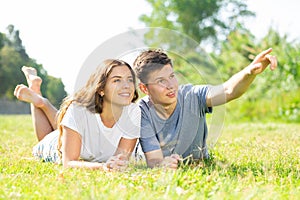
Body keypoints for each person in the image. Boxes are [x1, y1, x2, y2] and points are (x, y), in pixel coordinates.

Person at [133, 48, 277, 169]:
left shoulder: (193, 95)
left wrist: (249, 72)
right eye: (160, 81)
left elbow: (228, 90)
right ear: (144, 88)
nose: (170, 85)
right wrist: (163, 164)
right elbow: (154, 160)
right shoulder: (142, 111)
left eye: (172, 76)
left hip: (198, 163)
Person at [14, 59, 141, 170]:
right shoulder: (78, 110)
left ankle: (41, 100)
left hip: (75, 137)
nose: (126, 86)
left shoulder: (133, 112)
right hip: (55, 145)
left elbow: (119, 160)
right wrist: (103, 167)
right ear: (101, 89)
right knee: (44, 138)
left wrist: (115, 165)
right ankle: (38, 97)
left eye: (130, 80)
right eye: (117, 80)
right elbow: (68, 163)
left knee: (62, 127)